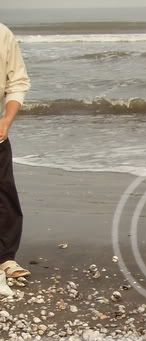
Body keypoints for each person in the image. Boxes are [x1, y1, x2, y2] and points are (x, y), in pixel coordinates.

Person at [0, 23, 32, 280]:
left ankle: (5, 258)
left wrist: (6, 120)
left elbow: (17, 82)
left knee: (4, 193)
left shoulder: (2, 34)